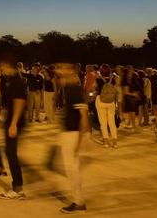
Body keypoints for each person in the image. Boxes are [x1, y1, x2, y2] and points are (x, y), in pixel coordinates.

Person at [56, 63, 90, 214]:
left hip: (73, 133)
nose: (59, 70)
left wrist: (82, 139)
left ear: (71, 71)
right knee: (70, 167)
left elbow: (84, 116)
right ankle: (78, 200)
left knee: (72, 168)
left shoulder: (75, 89)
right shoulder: (67, 88)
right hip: (68, 132)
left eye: (62, 68)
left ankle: (79, 202)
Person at [0, 58, 28, 201]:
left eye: (3, 66)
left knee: (11, 153)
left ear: (9, 66)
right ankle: (17, 187)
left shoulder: (17, 80)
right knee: (10, 152)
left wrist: (13, 123)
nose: (2, 69)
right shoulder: (13, 79)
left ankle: (18, 189)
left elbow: (20, 101)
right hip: (13, 121)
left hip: (15, 122)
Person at [95, 64, 118, 148]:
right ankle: (114, 142)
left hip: (100, 100)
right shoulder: (113, 79)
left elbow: (94, 88)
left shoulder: (98, 79)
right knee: (112, 122)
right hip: (111, 101)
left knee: (103, 122)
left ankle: (105, 141)